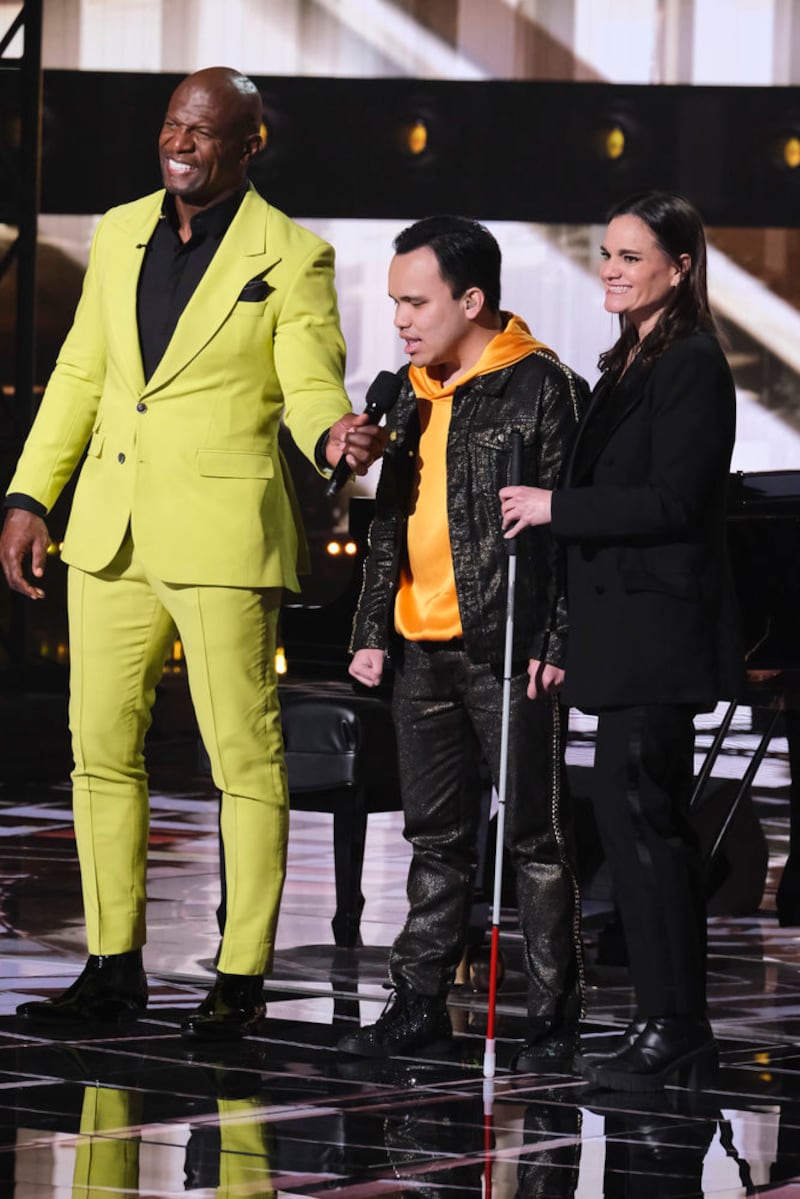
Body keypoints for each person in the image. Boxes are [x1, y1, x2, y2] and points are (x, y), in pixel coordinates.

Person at [0, 66, 385, 1040]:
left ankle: (239, 976)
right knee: (98, 751)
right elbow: (82, 371)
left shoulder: (290, 254)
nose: (182, 140)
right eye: (174, 123)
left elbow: (306, 379)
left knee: (243, 759)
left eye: (204, 130)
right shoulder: (120, 226)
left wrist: (331, 433)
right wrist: (29, 493)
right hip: (111, 530)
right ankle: (111, 964)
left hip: (218, 534)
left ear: (248, 144)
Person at [500, 190, 743, 1091]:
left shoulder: (692, 365)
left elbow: (674, 502)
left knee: (649, 830)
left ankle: (673, 1023)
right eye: (606, 252)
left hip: (660, 637)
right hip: (622, 634)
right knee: (639, 827)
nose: (611, 267)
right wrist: (568, 634)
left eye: (632, 256)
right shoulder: (629, 362)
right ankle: (664, 1022)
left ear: (679, 268)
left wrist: (553, 507)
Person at [336, 214, 587, 1067]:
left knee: (536, 839)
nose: (402, 320)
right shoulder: (405, 391)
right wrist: (372, 628)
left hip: (503, 646)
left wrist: (554, 637)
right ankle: (417, 999)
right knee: (434, 836)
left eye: (417, 301)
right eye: (396, 302)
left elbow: (567, 535)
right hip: (420, 647)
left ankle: (552, 1016)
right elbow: (386, 526)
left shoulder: (541, 386)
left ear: (471, 298)